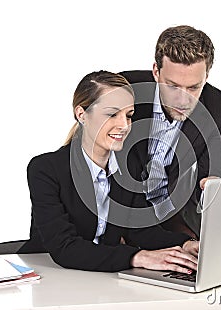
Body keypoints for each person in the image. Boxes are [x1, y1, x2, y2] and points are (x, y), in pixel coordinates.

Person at [19, 70, 198, 273]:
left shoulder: (129, 167)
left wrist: (186, 244)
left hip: (100, 278)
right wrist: (136, 257)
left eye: (129, 116)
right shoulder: (46, 169)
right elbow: (64, 247)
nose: (124, 125)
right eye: (112, 114)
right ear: (81, 114)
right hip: (51, 277)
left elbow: (139, 231)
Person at [119, 25, 221, 238]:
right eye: (172, 86)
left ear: (206, 76)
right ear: (156, 71)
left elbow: (212, 180)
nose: (183, 100)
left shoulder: (219, 108)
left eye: (193, 88)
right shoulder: (123, 89)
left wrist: (212, 189)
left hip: (171, 214)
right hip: (119, 208)